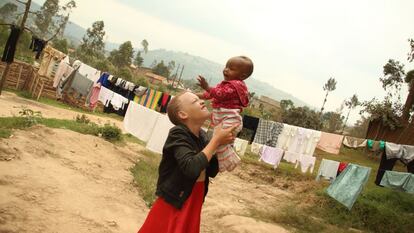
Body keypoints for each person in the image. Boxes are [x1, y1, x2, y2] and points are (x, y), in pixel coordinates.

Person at [137, 91, 239, 233]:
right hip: (175, 200)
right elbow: (191, 168)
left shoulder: (203, 136)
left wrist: (221, 145)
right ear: (183, 115)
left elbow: (212, 171)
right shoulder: (178, 133)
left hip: (195, 196)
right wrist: (216, 141)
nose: (202, 101)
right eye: (195, 101)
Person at [196, 56, 254, 172]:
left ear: (242, 76)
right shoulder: (227, 84)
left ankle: (229, 162)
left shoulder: (235, 86)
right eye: (226, 66)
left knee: (218, 143)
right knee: (217, 144)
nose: (226, 70)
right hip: (225, 120)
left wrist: (207, 87)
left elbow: (219, 94)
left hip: (231, 120)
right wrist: (196, 95)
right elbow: (211, 94)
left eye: (231, 68)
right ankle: (219, 164)